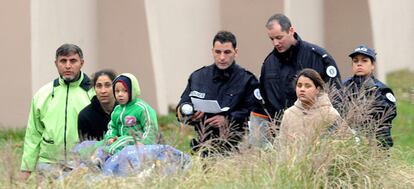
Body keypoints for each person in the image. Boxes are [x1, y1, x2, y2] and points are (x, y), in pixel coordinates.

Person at [176, 30, 260, 156]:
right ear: (212, 51)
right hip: (203, 146)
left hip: (236, 148)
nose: (222, 57)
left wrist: (228, 119)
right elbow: (182, 108)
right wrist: (189, 113)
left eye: (227, 52)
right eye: (218, 52)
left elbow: (256, 113)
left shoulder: (247, 80)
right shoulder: (198, 77)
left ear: (235, 52)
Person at [20, 44, 94, 179]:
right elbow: (33, 134)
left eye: (73, 61)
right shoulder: (43, 94)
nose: (67, 66)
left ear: (81, 63)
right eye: (63, 61)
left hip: (81, 166)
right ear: (56, 63)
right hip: (47, 165)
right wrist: (26, 168)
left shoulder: (94, 93)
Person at [258, 13, 342, 119]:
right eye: (272, 39)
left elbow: (336, 95)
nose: (276, 43)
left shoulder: (318, 58)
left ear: (291, 31)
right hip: (281, 129)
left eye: (279, 37)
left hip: (316, 127)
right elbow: (265, 102)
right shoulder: (269, 64)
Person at [342, 44, 397, 149]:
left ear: (372, 66)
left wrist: (371, 92)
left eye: (364, 60)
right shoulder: (344, 87)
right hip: (348, 143)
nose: (359, 64)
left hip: (377, 145)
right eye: (355, 61)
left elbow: (387, 115)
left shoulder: (382, 90)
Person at [98, 73, 159, 159]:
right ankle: (92, 158)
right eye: (117, 91)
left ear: (132, 90)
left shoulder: (141, 108)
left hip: (137, 141)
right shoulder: (117, 110)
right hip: (120, 141)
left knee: (123, 141)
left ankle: (104, 158)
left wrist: (144, 143)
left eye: (125, 90)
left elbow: (150, 127)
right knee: (99, 144)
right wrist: (111, 137)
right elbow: (112, 127)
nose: (120, 94)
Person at [279, 68, 342, 144]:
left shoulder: (330, 113)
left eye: (307, 86)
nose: (302, 89)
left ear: (317, 89)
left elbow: (344, 143)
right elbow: (280, 145)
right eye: (299, 85)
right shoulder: (289, 114)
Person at [78, 70, 117, 141]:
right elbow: (85, 148)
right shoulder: (85, 116)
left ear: (115, 87)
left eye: (108, 85)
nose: (103, 91)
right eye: (99, 86)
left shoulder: (125, 110)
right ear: (94, 89)